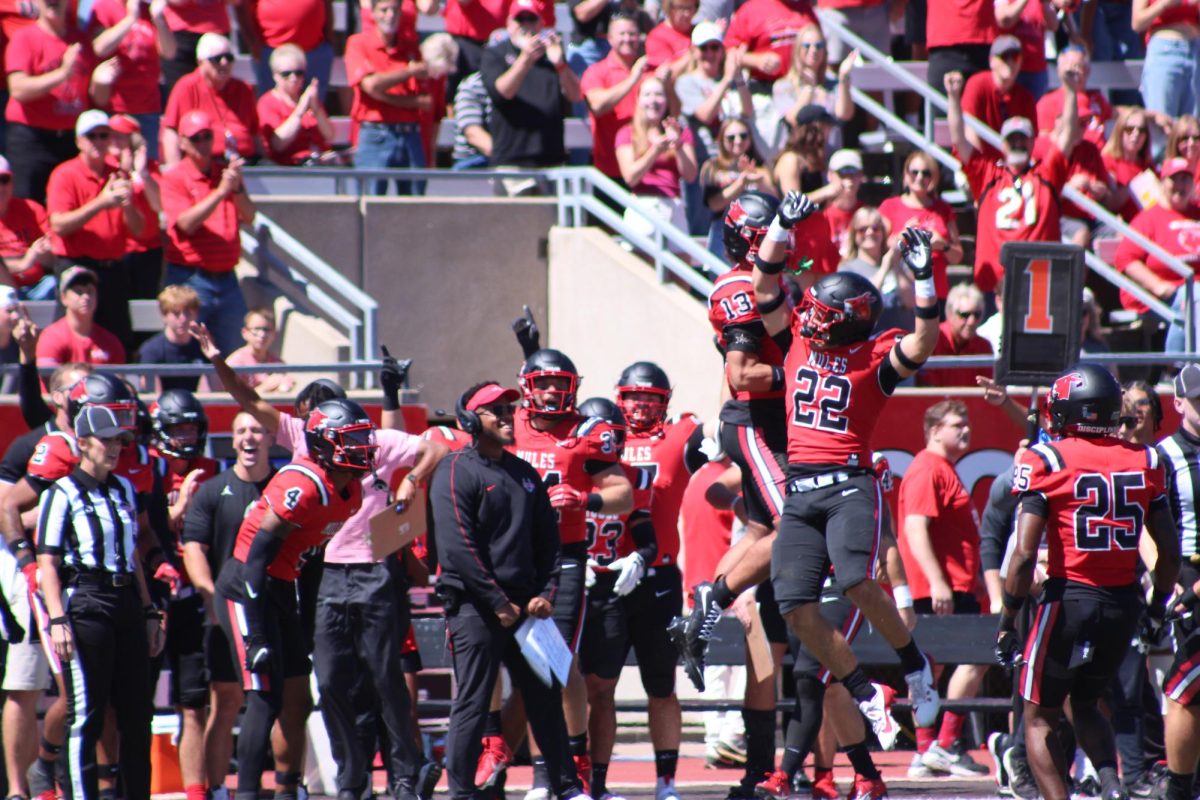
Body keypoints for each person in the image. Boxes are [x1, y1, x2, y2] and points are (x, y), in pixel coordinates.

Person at [750, 193, 943, 751]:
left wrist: (925, 278)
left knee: (856, 579)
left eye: (822, 312)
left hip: (848, 485)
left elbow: (925, 339)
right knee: (795, 607)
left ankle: (913, 664)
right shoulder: (795, 342)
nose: (807, 315)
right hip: (801, 491)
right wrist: (783, 225)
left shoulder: (872, 361)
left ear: (849, 321)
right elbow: (766, 285)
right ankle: (866, 690)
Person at [996, 363, 1180, 800]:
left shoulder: (1046, 459)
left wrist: (1007, 617)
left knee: (1038, 717)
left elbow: (1023, 556)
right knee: (1086, 702)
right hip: (1124, 601)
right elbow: (1168, 553)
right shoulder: (1148, 458)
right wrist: (1155, 610)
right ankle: (1113, 788)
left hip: (1069, 598)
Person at [214, 398, 383, 800]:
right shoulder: (303, 484)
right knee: (264, 696)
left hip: (280, 584)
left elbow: (312, 560)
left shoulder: (351, 491)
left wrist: (304, 621)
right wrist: (256, 636)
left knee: (296, 695)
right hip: (246, 586)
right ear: (324, 444)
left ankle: (288, 788)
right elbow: (256, 556)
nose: (362, 446)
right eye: (351, 438)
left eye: (362, 437)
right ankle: (249, 794)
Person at [432, 381, 587, 800]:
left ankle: (568, 787)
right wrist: (497, 602)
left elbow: (549, 544)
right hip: (475, 608)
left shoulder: (524, 473)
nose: (506, 415)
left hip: (524, 610)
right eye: (494, 409)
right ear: (469, 420)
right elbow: (457, 548)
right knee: (473, 700)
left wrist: (546, 593)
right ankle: (461, 792)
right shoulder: (454, 470)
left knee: (545, 697)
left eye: (508, 407)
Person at [511, 348, 632, 796]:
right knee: (520, 666)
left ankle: (571, 764)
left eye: (560, 384)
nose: (551, 392)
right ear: (527, 386)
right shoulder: (511, 424)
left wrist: (586, 501)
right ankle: (537, 769)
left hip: (562, 555)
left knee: (557, 661)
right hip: (511, 559)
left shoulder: (586, 432)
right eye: (542, 383)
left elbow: (623, 493)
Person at [36, 404, 165, 800]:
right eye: (106, 440)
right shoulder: (62, 492)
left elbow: (133, 557)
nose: (114, 448)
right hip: (87, 600)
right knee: (87, 712)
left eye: (119, 441)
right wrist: (57, 619)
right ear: (82, 442)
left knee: (137, 713)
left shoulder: (124, 488)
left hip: (125, 598)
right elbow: (48, 562)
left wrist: (148, 610)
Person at [612, 362, 707, 800]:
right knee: (596, 685)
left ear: (664, 402)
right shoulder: (600, 435)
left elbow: (723, 439)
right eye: (634, 395)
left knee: (661, 683)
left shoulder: (678, 437)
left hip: (659, 575)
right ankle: (590, 779)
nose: (641, 404)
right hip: (606, 575)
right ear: (619, 398)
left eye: (651, 397)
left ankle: (666, 781)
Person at [180, 411, 275, 800]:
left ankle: (289, 785)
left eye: (256, 430)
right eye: (241, 431)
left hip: (274, 613)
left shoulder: (286, 486)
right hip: (226, 616)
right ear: (232, 440)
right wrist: (210, 594)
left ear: (271, 436)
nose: (248, 438)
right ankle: (218, 790)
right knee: (227, 702)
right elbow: (193, 549)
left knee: (284, 701)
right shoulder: (212, 490)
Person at [898, 401, 989, 778]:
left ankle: (929, 750)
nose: (965, 430)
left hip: (955, 586)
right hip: (940, 589)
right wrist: (937, 581)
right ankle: (942, 745)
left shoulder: (942, 468)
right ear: (935, 430)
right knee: (969, 659)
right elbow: (915, 529)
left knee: (937, 667)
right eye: (956, 424)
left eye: (967, 424)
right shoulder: (927, 467)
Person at [574, 397, 658, 800]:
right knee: (561, 685)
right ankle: (560, 777)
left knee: (602, 688)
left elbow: (644, 530)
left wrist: (640, 557)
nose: (607, 446)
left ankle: (599, 783)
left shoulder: (633, 479)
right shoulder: (564, 471)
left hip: (609, 587)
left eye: (613, 438)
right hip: (568, 582)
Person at [945, 70, 1075, 304]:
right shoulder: (987, 175)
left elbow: (1068, 136)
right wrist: (954, 98)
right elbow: (959, 139)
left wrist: (1071, 92)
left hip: (1038, 283)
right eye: (1012, 139)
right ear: (1002, 145)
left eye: (1022, 139)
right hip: (994, 284)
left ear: (1033, 142)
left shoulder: (1047, 173)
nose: (1017, 144)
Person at [46, 108, 145, 350]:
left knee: (118, 340)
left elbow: (139, 229)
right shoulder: (65, 174)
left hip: (113, 270)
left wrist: (128, 204)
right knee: (71, 336)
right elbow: (58, 224)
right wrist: (101, 203)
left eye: (104, 135)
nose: (99, 142)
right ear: (79, 140)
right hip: (77, 267)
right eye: (92, 136)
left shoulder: (119, 174)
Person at [159, 109, 255, 357]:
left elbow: (250, 216)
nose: (202, 143)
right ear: (182, 142)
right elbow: (185, 224)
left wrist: (237, 189)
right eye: (195, 138)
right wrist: (222, 191)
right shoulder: (175, 178)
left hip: (227, 277)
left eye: (206, 136)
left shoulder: (224, 174)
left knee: (232, 352)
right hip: (191, 278)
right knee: (187, 349)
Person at [4, 0, 100, 204]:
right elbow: (18, 89)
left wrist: (101, 83)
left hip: (71, 139)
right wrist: (62, 74)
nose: (52, 2)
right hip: (32, 139)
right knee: (29, 206)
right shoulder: (25, 38)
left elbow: (92, 94)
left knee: (72, 206)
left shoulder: (80, 41)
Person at [480, 0, 580, 172]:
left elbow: (576, 95)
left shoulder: (552, 55)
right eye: (520, 20)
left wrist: (560, 64)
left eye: (531, 19)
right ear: (509, 24)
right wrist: (526, 59)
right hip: (511, 161)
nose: (526, 25)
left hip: (552, 161)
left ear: (541, 23)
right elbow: (502, 93)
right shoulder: (495, 53)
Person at [345, 0, 430, 197]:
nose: (390, 15)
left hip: (410, 133)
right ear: (372, 13)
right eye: (384, 10)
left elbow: (425, 101)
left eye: (395, 10)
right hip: (376, 134)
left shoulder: (410, 47)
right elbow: (370, 86)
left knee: (415, 208)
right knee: (369, 206)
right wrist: (408, 71)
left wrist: (381, 96)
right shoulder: (358, 43)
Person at [1114, 157, 1200, 348]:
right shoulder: (1149, 218)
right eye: (1174, 179)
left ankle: (1178, 370)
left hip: (1193, 290)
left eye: (1185, 179)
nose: (1180, 185)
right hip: (1167, 292)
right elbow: (1125, 258)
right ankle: (1179, 367)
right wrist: (1158, 285)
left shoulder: (1197, 213)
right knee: (1195, 299)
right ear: (1163, 183)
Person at [90, 0, 175, 159]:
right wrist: (131, 18)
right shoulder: (104, 7)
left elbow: (169, 52)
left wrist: (158, 18)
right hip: (114, 108)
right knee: (114, 165)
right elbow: (99, 48)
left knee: (146, 168)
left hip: (148, 109)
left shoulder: (149, 8)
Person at [615, 78, 698, 237]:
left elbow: (690, 175)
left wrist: (678, 146)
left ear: (667, 100)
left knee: (679, 260)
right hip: (642, 205)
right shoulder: (627, 133)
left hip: (674, 205)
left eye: (659, 94)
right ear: (638, 99)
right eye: (647, 94)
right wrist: (656, 150)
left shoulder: (680, 131)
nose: (653, 100)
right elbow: (630, 177)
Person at [878, 151, 961, 308]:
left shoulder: (943, 208)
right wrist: (902, 235)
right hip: (902, 290)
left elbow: (957, 256)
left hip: (936, 290)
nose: (920, 177)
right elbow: (879, 247)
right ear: (906, 174)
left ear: (934, 177)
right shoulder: (890, 206)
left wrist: (943, 245)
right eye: (914, 172)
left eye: (926, 173)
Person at [161, 32, 259, 164]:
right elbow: (171, 131)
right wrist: (175, 171)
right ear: (201, 62)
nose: (224, 63)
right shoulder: (186, 87)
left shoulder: (244, 89)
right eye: (217, 59)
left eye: (229, 58)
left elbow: (255, 133)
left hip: (245, 163)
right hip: (206, 166)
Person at [580, 13, 649, 185]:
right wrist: (633, 78)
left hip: (646, 171)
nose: (627, 38)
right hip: (608, 172)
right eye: (622, 34)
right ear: (610, 38)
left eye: (632, 34)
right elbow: (597, 105)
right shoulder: (597, 71)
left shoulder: (649, 71)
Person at [698, 117, 776, 258]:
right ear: (721, 139)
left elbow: (775, 200)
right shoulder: (713, 167)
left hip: (758, 234)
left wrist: (758, 180)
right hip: (724, 231)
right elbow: (714, 205)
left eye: (743, 136)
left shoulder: (761, 168)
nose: (738, 141)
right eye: (731, 137)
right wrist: (740, 183)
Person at [675, 23, 753, 163]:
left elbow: (747, 112)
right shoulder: (686, 82)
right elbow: (706, 116)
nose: (710, 53)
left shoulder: (733, 81)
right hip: (707, 161)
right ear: (694, 51)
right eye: (704, 48)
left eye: (714, 47)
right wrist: (727, 79)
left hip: (737, 157)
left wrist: (739, 77)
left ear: (722, 50)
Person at [769, 26, 853, 154]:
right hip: (799, 156)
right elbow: (793, 119)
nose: (813, 50)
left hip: (828, 155)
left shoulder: (834, 83)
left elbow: (844, 114)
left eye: (818, 46)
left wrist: (843, 78)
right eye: (807, 46)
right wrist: (809, 89)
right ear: (797, 50)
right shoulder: (783, 86)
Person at [958, 35, 1037, 160]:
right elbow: (969, 130)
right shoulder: (978, 84)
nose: (1010, 62)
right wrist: (982, 171)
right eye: (1005, 57)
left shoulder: (1025, 97)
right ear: (991, 61)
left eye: (1015, 57)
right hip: (979, 167)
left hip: (1011, 167)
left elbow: (1032, 140)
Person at [837, 206, 913, 333]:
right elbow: (860, 305)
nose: (870, 232)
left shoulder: (897, 263)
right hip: (870, 342)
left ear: (883, 233)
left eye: (875, 228)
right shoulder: (847, 269)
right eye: (862, 229)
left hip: (900, 341)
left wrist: (895, 264)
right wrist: (884, 268)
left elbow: (910, 302)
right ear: (854, 235)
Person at [238, 0, 333, 102]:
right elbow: (241, 5)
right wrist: (253, 43)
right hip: (272, 51)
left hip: (315, 50)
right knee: (273, 105)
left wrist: (329, 39)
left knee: (314, 107)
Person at [256, 44, 334, 166]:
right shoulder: (267, 102)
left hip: (318, 164)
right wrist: (301, 109)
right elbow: (278, 144)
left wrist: (316, 108)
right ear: (275, 75)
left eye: (298, 73)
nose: (293, 78)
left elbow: (329, 135)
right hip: (288, 168)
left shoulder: (309, 99)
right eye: (286, 73)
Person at [35, 266, 125, 367]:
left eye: (90, 291)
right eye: (79, 291)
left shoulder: (110, 341)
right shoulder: (51, 337)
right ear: (63, 298)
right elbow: (47, 379)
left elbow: (119, 379)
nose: (86, 297)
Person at [0, 154, 57, 300]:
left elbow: (54, 253)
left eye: (4, 180)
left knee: (57, 284)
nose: (0, 187)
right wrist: (24, 263)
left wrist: (46, 252)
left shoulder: (31, 209)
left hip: (38, 287)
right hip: (3, 292)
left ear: (12, 182)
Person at [1132, 0, 1200, 120]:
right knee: (1162, 121)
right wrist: (1165, 4)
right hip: (1166, 50)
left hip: (1195, 49)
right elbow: (1137, 23)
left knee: (1194, 125)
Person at [916, 284, 994, 388]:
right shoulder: (932, 340)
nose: (971, 321)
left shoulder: (984, 347)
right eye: (964, 315)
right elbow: (928, 390)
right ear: (949, 314)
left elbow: (985, 393)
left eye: (976, 315)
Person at [722, 0, 817, 84]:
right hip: (763, 88)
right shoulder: (751, 9)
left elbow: (821, 45)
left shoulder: (806, 9)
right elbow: (728, 51)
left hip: (800, 84)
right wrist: (757, 61)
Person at [1034, 47, 1111, 149]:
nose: (1076, 72)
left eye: (1080, 66)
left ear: (1088, 71)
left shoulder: (1096, 97)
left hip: (1100, 157)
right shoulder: (1047, 102)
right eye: (1070, 67)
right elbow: (1043, 143)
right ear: (1059, 70)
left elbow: (1116, 115)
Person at [136, 285, 207, 393]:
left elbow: (212, 392)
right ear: (164, 315)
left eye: (188, 313)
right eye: (176, 313)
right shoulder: (151, 350)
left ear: (196, 314)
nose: (183, 319)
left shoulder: (204, 347)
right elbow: (153, 396)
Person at [1100, 106, 1155, 224]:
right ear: (1120, 131)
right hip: (1121, 226)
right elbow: (1107, 205)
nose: (1135, 134)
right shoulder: (1107, 161)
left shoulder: (1148, 165)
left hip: (1147, 224)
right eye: (1130, 129)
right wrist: (1133, 187)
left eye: (1141, 130)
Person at [221, 307, 293, 393]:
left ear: (274, 334)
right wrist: (264, 388)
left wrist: (284, 388)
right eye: (256, 329)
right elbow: (230, 400)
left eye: (266, 330)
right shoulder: (235, 363)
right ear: (245, 333)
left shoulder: (278, 363)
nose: (262, 335)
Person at [773, 104, 834, 196]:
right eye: (826, 126)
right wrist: (827, 191)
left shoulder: (816, 158)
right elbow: (794, 201)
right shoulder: (790, 159)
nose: (829, 131)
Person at [644, 0, 695, 79]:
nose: (687, 14)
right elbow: (664, 75)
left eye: (690, 8)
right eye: (681, 8)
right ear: (669, 9)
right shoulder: (657, 36)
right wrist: (693, 53)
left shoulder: (698, 30)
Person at [451, 71, 492, 170]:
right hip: (476, 160)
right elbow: (473, 134)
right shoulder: (473, 84)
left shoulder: (532, 82)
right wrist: (509, 159)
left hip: (525, 162)